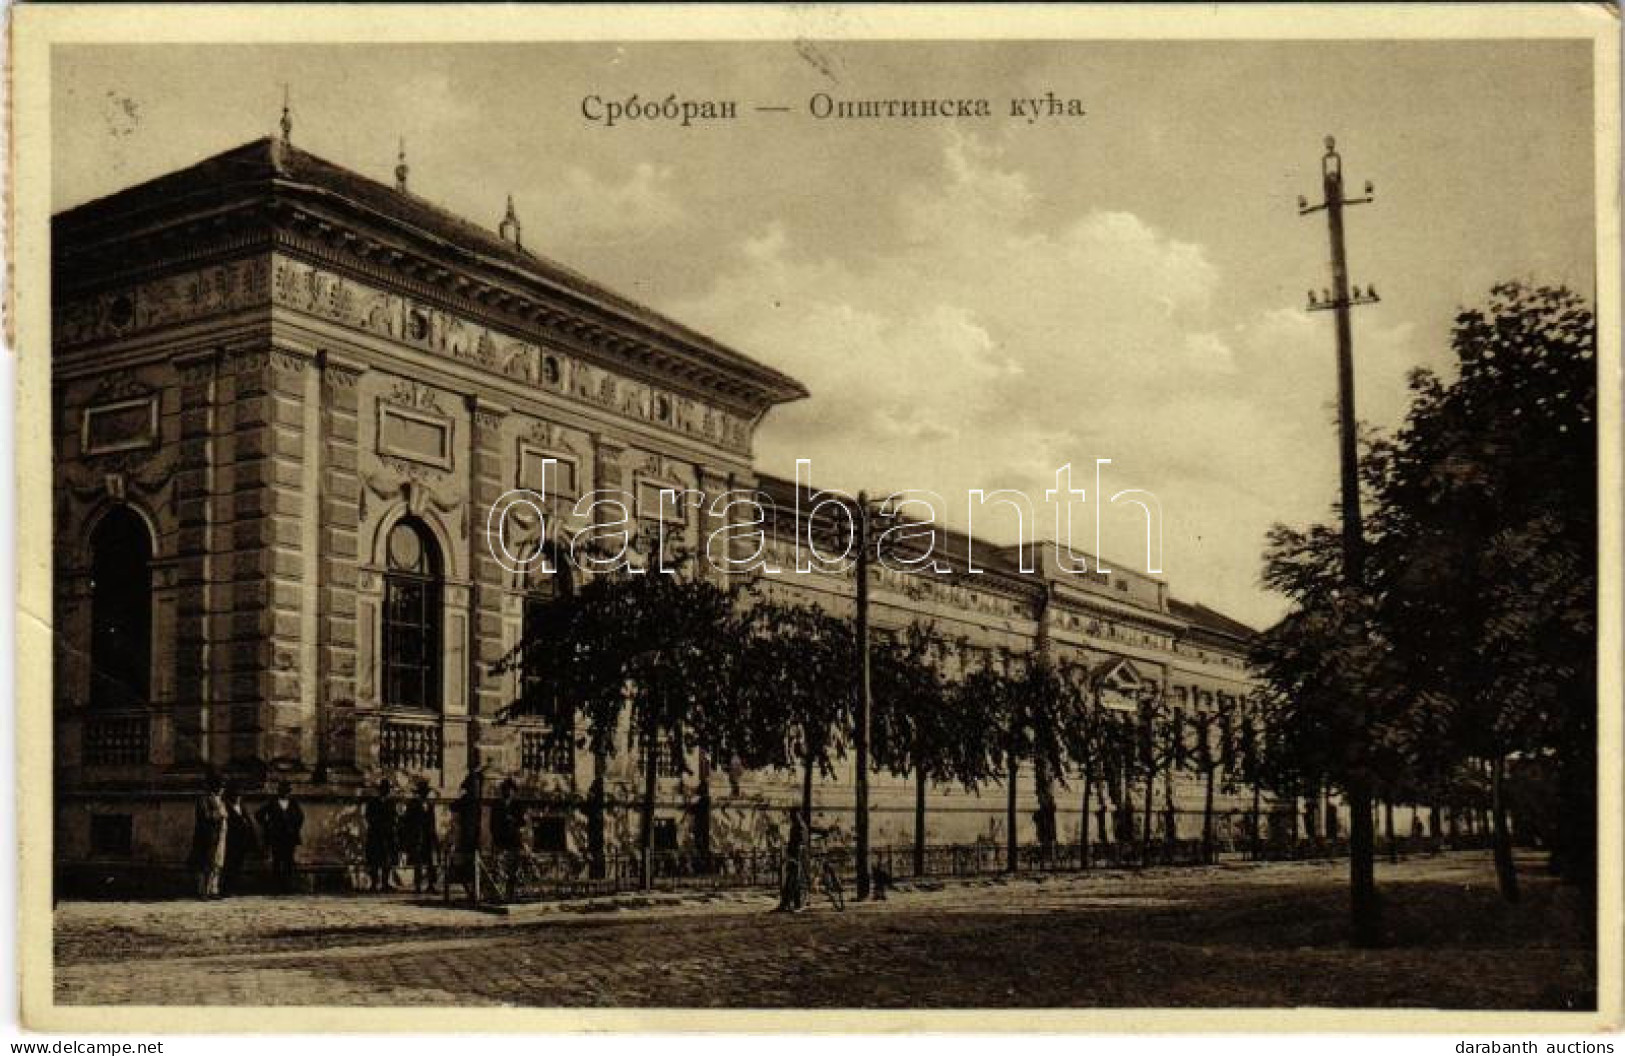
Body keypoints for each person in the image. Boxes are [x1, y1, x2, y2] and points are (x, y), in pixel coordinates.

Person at [256, 780, 305, 894]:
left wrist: (295, 827)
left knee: (288, 862)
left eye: (287, 791)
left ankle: (287, 887)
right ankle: (276, 887)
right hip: (276, 837)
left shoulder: (293, 803)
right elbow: (259, 815)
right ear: (279, 792)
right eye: (283, 791)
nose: (286, 793)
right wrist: (268, 825)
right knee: (277, 862)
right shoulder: (272, 802)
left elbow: (301, 817)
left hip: (289, 837)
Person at [189, 776, 229, 900]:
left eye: (223, 787)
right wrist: (220, 814)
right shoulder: (204, 799)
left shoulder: (221, 800)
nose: (222, 789)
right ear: (214, 787)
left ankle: (213, 890)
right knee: (205, 864)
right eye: (220, 787)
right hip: (208, 837)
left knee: (217, 864)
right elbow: (205, 815)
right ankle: (202, 892)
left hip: (220, 836)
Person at [401, 779, 440, 894]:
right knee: (418, 862)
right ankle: (418, 885)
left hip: (428, 836)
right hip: (418, 836)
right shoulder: (413, 804)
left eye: (426, 792)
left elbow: (432, 822)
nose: (425, 794)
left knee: (430, 862)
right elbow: (408, 821)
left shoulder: (430, 804)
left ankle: (431, 885)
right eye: (423, 792)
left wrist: (434, 836)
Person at [489, 779, 527, 896]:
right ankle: (498, 893)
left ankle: (511, 892)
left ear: (513, 792)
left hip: (514, 840)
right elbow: (492, 823)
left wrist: (513, 820)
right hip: (500, 840)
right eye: (505, 789)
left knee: (513, 868)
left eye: (510, 790)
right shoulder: (497, 805)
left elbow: (523, 822)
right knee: (500, 868)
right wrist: (496, 835)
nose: (508, 792)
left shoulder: (517, 805)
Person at [363, 780, 399, 892]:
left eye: (387, 789)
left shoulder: (391, 803)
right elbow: (368, 817)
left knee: (387, 860)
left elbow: (394, 817)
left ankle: (385, 883)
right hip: (375, 834)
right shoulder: (373, 802)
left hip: (388, 834)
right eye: (384, 789)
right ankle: (374, 884)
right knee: (374, 860)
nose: (385, 791)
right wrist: (378, 824)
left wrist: (391, 826)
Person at [221, 788, 258, 896]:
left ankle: (234, 887)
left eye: (239, 796)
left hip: (242, 841)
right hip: (232, 840)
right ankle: (226, 888)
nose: (238, 798)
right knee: (229, 865)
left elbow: (248, 822)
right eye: (236, 796)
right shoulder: (227, 807)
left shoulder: (242, 807)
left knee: (238, 865)